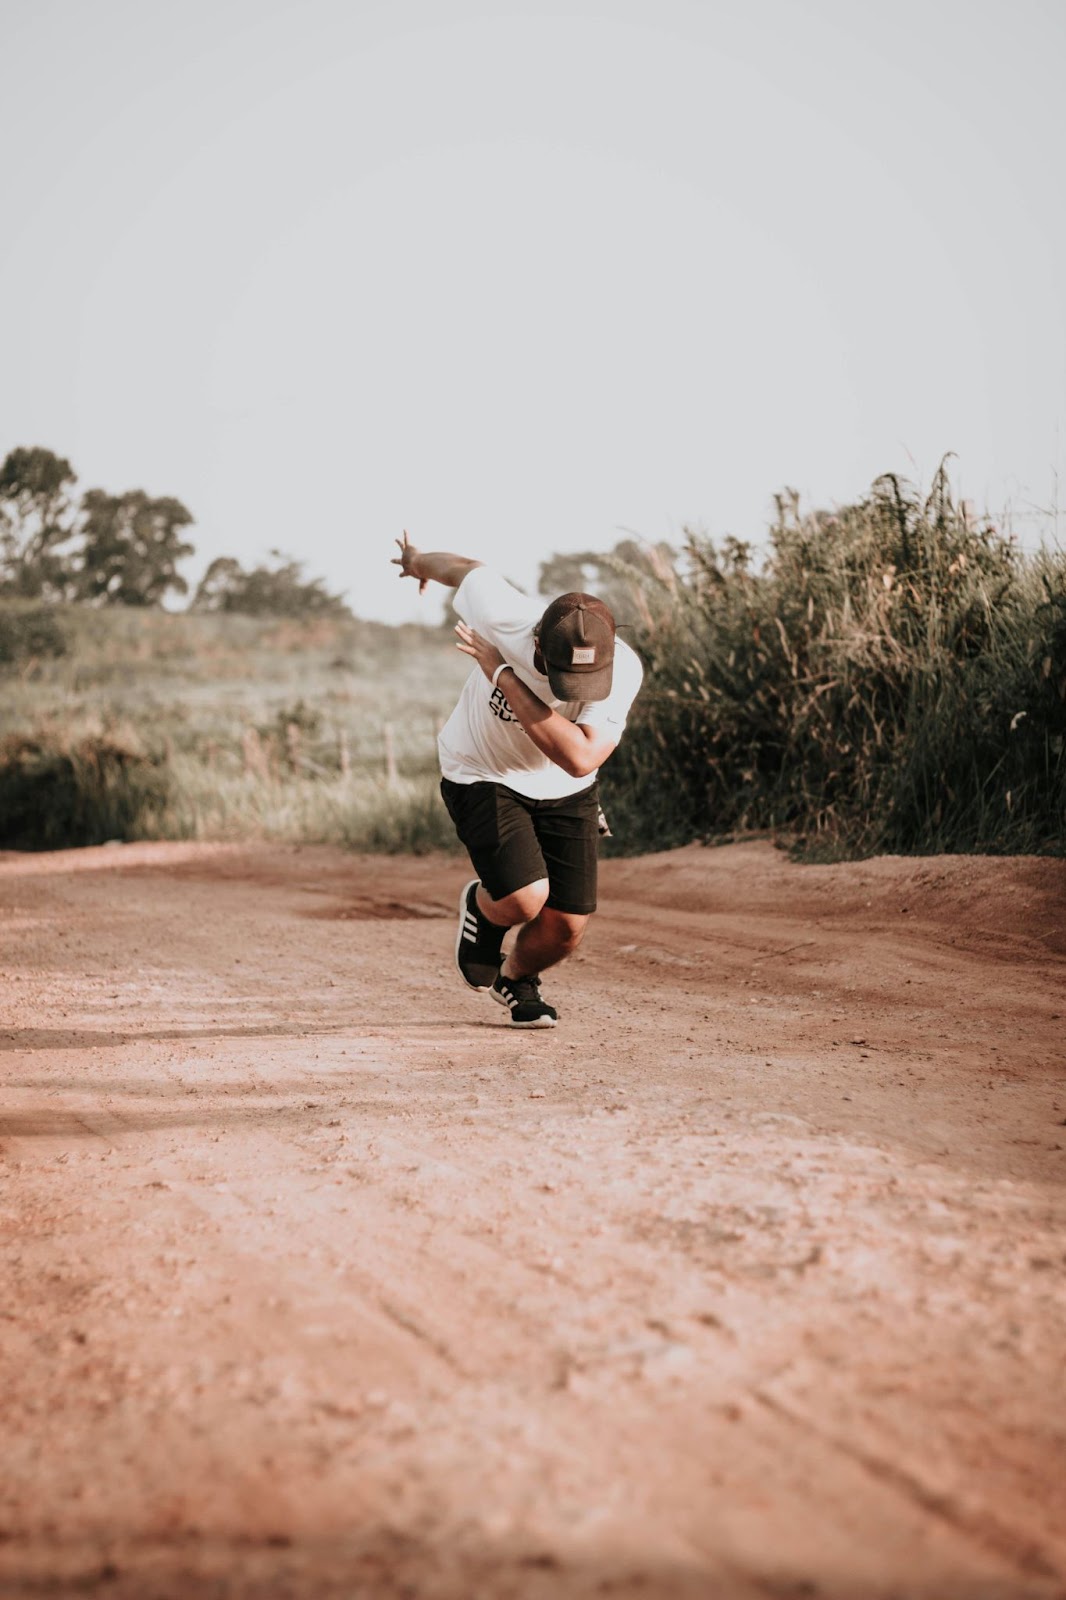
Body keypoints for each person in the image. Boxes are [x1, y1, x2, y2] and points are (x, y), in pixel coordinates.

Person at [392, 531, 644, 1028]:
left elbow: (581, 758)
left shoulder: (625, 668)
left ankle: (517, 978)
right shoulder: (506, 616)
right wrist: (417, 561)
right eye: (563, 678)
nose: (575, 692)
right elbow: (466, 567)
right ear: (536, 643)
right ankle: (484, 909)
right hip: (480, 770)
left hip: (565, 784)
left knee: (567, 926)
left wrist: (502, 675)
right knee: (524, 897)